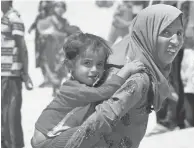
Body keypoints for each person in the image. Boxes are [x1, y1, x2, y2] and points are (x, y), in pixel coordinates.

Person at [63, 4, 184, 148]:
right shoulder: (140, 77)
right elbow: (102, 118)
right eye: (166, 32)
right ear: (148, 33)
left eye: (179, 33)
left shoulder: (127, 64)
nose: (176, 41)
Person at [31, 32, 146, 148]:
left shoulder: (80, 86)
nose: (94, 69)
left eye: (100, 64)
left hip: (50, 137)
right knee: (89, 130)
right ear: (70, 65)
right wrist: (125, 71)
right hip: (46, 140)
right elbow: (104, 92)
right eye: (87, 63)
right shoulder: (74, 89)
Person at [1, 1, 33, 148]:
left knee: (11, 112)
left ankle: (15, 144)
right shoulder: (5, 18)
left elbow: (22, 46)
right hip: (5, 72)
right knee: (4, 111)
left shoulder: (14, 18)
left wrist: (25, 73)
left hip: (12, 73)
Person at [28, 0, 54, 87]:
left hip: (48, 42)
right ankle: (46, 79)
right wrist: (31, 28)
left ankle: (51, 80)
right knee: (41, 60)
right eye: (42, 7)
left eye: (45, 7)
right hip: (39, 42)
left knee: (48, 60)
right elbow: (35, 23)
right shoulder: (40, 16)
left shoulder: (52, 16)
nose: (42, 9)